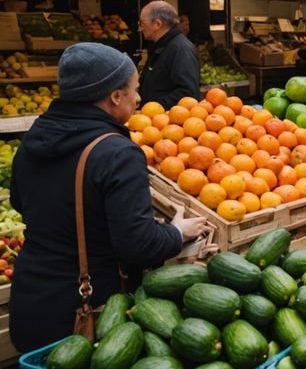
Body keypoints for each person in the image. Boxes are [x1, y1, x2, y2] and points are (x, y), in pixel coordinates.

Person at [9, 43, 211, 351]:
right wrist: (176, 232)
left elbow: (22, 205)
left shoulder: (33, 139)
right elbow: (138, 245)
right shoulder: (117, 152)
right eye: (135, 89)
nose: (140, 98)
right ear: (115, 96)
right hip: (85, 316)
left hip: (30, 302)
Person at [138, 1, 200, 109]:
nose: (140, 28)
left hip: (169, 121)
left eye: (142, 23)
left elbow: (188, 92)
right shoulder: (162, 46)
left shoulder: (181, 49)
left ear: (157, 24)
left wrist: (155, 108)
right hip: (154, 120)